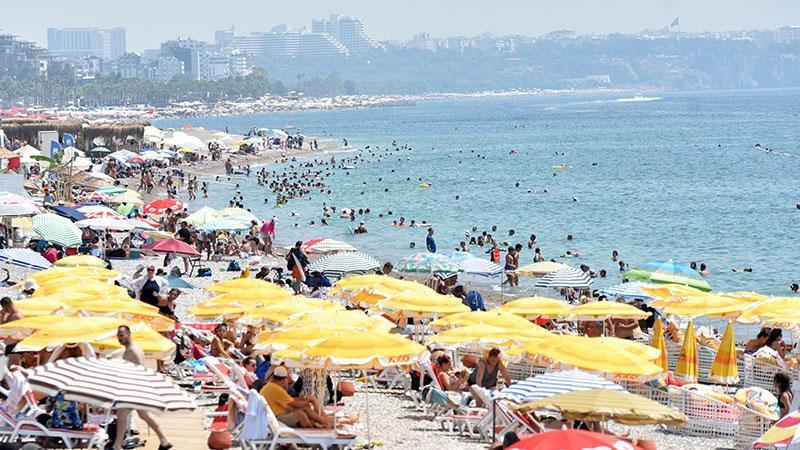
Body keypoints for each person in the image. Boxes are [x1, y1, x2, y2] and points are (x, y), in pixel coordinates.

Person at [113, 326, 172, 450]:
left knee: (122, 415)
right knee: (142, 415)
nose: (119, 338)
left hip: (135, 388)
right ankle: (164, 440)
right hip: (136, 388)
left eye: (122, 335)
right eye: (118, 335)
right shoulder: (133, 348)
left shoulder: (132, 350)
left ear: (129, 334)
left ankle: (117, 445)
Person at [259, 366, 332, 428]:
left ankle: (323, 421)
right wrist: (307, 402)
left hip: (272, 415)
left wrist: (304, 399)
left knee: (304, 409)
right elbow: (294, 404)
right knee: (300, 414)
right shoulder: (276, 389)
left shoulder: (271, 386)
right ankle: (315, 427)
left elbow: (290, 398)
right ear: (284, 379)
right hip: (275, 417)